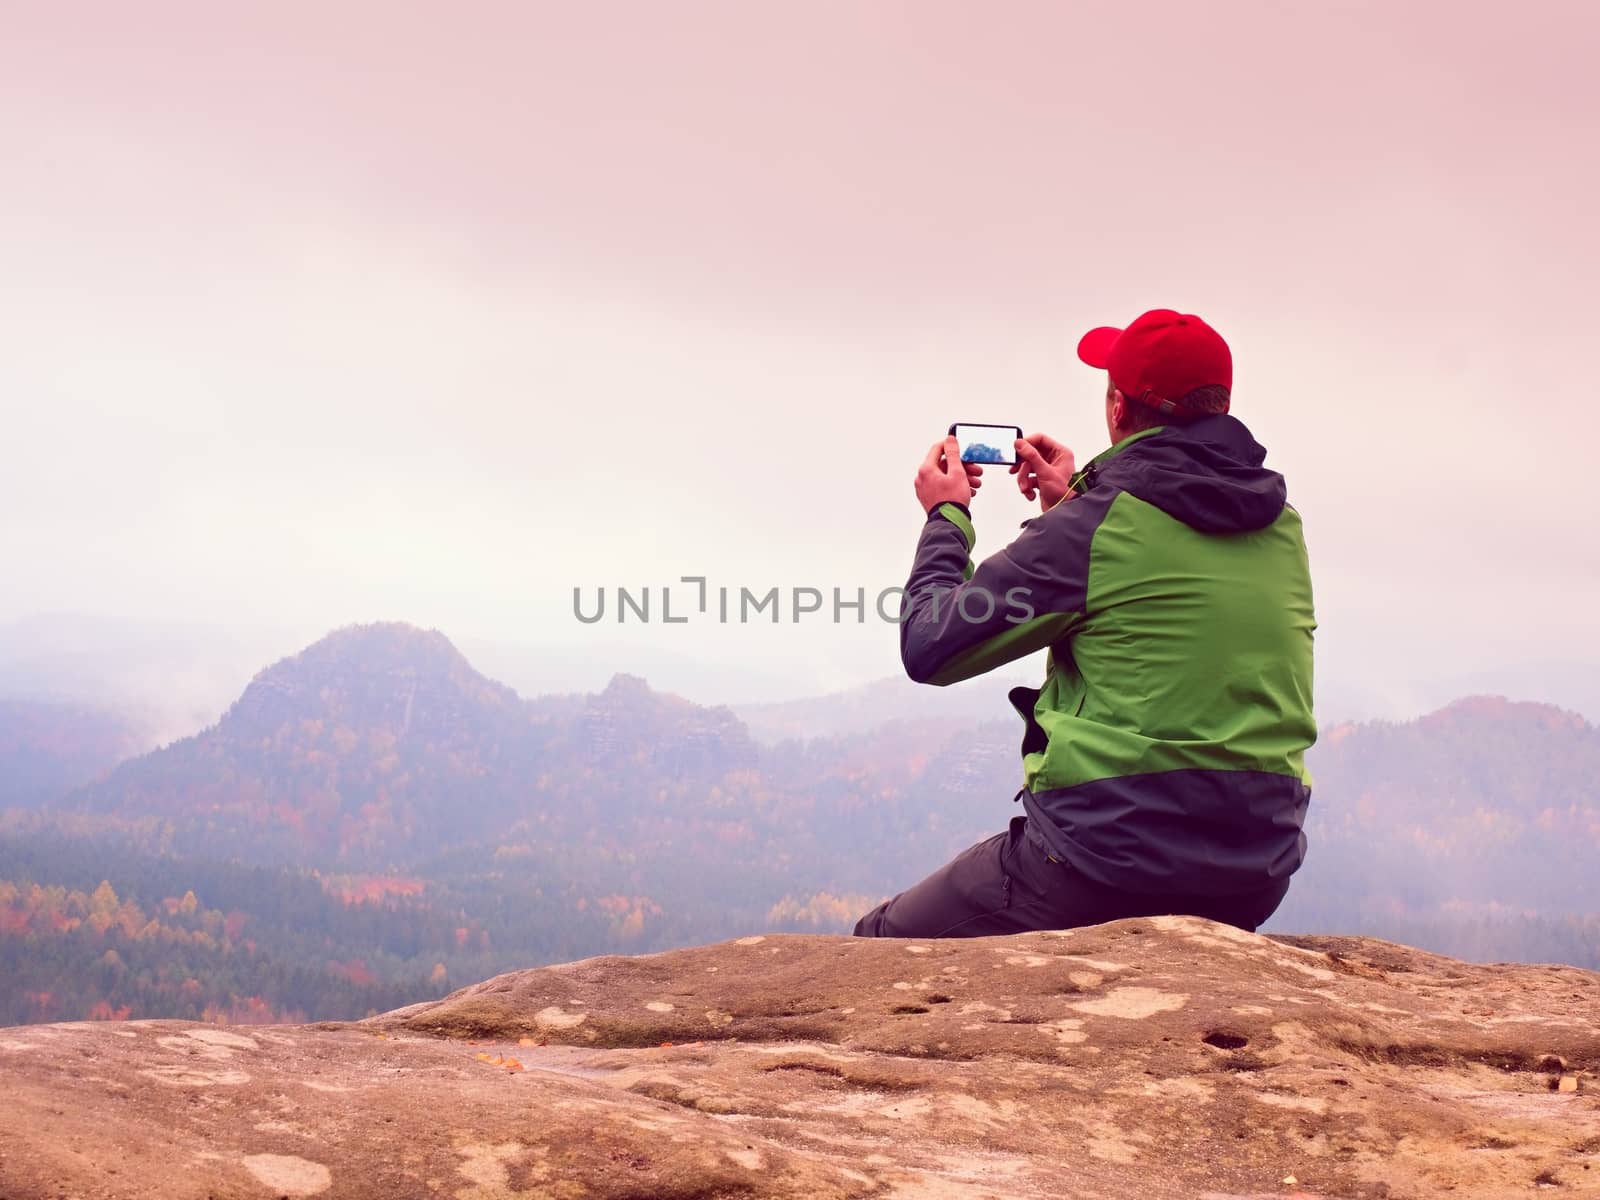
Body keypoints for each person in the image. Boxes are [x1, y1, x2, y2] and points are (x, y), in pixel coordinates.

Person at [853, 309, 1315, 939]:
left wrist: (947, 515)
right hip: (1255, 874)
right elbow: (1157, 607)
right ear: (1222, 405)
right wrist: (1070, 503)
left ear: (1118, 410)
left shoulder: (1098, 526)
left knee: (880, 944)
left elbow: (930, 643)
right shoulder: (1281, 523)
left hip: (1107, 866)